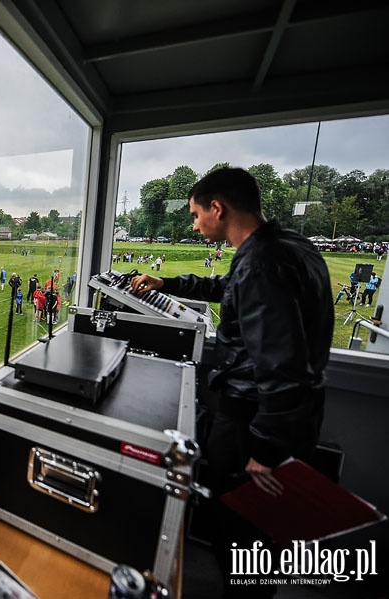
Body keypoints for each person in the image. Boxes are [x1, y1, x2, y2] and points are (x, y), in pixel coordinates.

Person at [130, 167, 333, 598]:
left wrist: (265, 449)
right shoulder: (284, 246)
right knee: (262, 540)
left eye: (195, 214)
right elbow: (229, 287)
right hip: (291, 421)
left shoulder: (261, 261)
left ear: (217, 208)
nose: (194, 223)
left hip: (252, 425)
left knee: (238, 537)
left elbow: (281, 367)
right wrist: (168, 283)